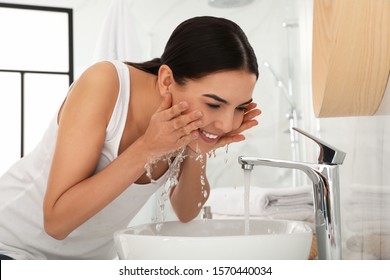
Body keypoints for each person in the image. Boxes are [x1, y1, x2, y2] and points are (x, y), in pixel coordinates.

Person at [0, 16, 260, 260]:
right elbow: (56, 222)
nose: (227, 123)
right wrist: (147, 148)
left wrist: (197, 149)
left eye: (239, 107)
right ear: (167, 81)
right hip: (10, 247)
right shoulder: (104, 84)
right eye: (214, 104)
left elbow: (185, 211)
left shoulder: (184, 123)